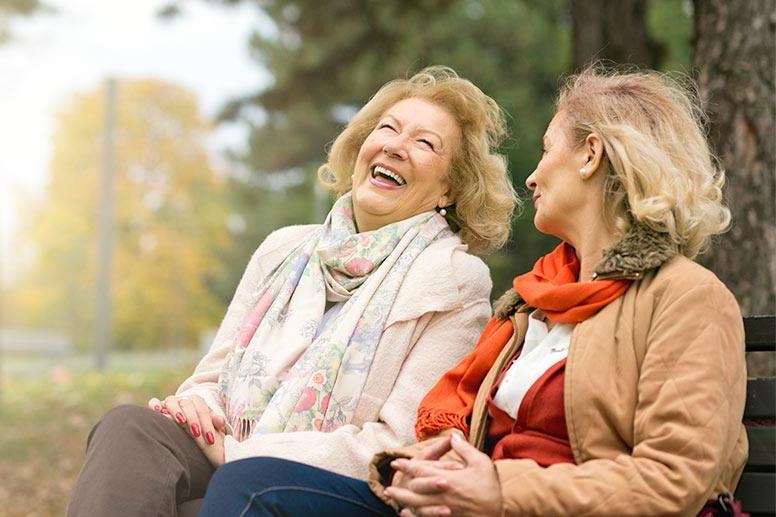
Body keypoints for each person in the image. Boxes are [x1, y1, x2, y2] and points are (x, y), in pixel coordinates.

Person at [200, 67, 747, 516]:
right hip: (465, 506)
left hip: (519, 507)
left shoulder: (686, 299)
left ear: (590, 155)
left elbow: (675, 479)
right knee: (236, 477)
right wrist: (428, 477)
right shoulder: (534, 303)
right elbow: (450, 428)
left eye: (546, 149)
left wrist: (501, 489)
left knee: (250, 487)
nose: (531, 178)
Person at [65, 66, 517, 517]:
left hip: (322, 482)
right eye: (388, 129)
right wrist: (195, 406)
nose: (396, 146)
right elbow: (211, 378)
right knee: (130, 428)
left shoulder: (453, 279)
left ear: (449, 189)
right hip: (225, 447)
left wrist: (241, 456)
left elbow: (399, 441)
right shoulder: (283, 248)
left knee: (233, 490)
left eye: (425, 143)